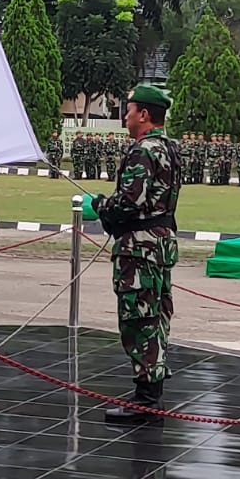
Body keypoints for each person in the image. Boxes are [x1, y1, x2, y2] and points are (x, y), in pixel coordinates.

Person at [79, 85, 182, 423]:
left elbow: (129, 203)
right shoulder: (170, 148)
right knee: (156, 313)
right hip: (160, 243)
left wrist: (99, 206)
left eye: (129, 110)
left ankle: (146, 400)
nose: (125, 116)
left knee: (139, 319)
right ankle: (150, 388)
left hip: (139, 248)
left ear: (144, 115)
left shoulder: (143, 151)